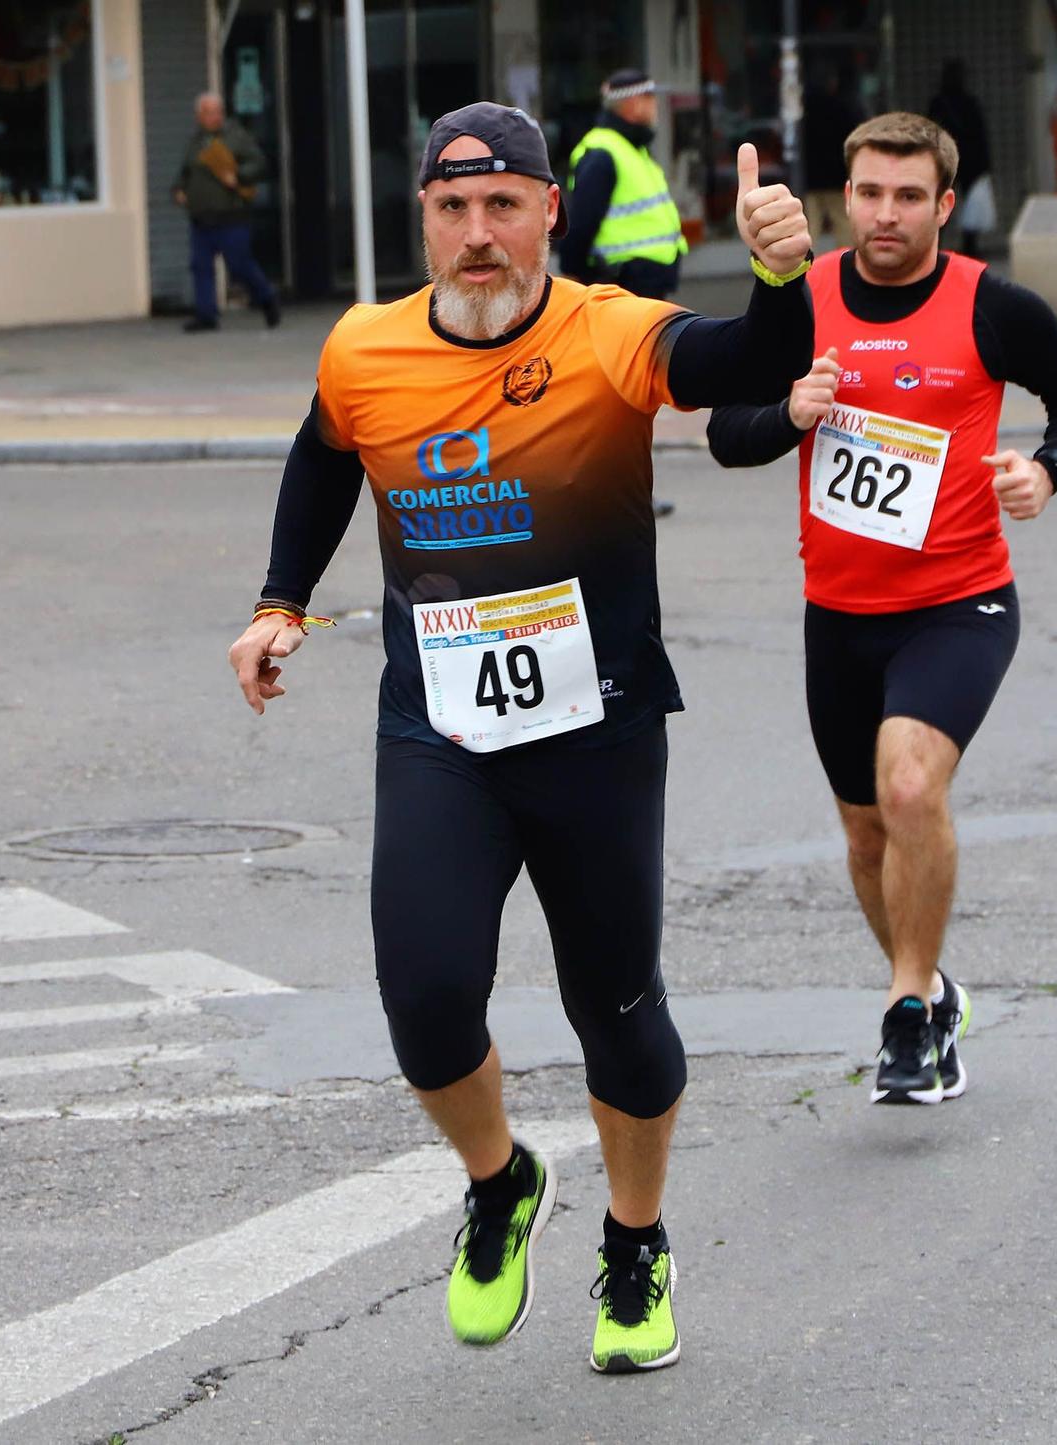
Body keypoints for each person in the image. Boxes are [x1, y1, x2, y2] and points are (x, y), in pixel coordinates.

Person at [226, 102, 812, 1372]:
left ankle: (637, 1236)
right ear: (422, 222)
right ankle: (499, 1181)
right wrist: (280, 600)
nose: (477, 234)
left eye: (503, 206)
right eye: (452, 209)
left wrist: (777, 271)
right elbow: (325, 455)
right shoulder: (364, 347)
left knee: (617, 1008)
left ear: (551, 209)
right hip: (437, 726)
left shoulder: (607, 331)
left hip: (595, 729)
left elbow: (742, 364)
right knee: (427, 998)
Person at [705, 112, 1057, 1104]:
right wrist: (787, 413)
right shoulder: (796, 300)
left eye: (907, 196)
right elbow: (724, 431)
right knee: (862, 835)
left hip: (957, 602)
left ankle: (901, 1014)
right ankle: (929, 989)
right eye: (870, 193)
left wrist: (1045, 470)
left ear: (943, 203)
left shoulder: (990, 306)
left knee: (908, 788)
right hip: (836, 612)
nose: (885, 214)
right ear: (848, 198)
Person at [560, 70, 688, 299]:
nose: (655, 105)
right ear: (633, 104)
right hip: (623, 284)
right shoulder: (603, 153)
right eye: (650, 98)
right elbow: (580, 224)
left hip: (642, 284)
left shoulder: (631, 146)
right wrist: (573, 276)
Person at [172, 92, 280, 333]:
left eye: (216, 111)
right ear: (199, 116)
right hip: (201, 217)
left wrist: (239, 175)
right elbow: (185, 172)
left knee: (239, 264)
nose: (212, 117)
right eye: (207, 112)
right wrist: (178, 190)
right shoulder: (195, 141)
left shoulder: (235, 137)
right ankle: (206, 315)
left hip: (230, 216)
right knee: (200, 266)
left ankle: (266, 297)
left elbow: (259, 163)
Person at [928, 60, 993, 258]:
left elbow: (929, 133)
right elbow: (981, 135)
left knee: (941, 202)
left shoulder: (939, 103)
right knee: (971, 204)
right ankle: (970, 247)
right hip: (971, 161)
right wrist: (986, 165)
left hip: (946, 160)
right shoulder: (970, 103)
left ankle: (935, 246)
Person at [802, 70, 862, 245]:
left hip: (810, 178)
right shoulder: (841, 108)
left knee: (808, 227)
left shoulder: (805, 112)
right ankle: (846, 264)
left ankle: (800, 268)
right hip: (836, 176)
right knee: (842, 223)